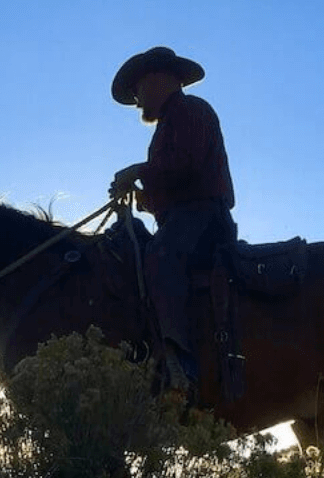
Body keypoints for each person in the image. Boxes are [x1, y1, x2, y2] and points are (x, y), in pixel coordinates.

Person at [109, 46, 237, 394]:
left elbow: (186, 166)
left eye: (137, 90)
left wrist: (138, 171)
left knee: (161, 256)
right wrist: (143, 198)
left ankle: (181, 365)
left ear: (157, 80)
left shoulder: (191, 110)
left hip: (205, 218)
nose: (136, 101)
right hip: (185, 218)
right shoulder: (169, 124)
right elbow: (172, 184)